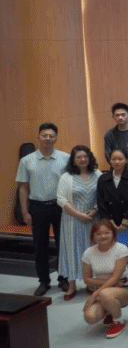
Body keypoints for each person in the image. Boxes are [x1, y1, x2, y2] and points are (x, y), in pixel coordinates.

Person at [16, 122, 70, 296]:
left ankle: (63, 278)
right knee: (40, 246)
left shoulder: (66, 158)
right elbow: (23, 188)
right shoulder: (27, 160)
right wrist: (25, 212)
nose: (48, 138)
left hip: (60, 206)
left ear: (56, 138)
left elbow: (71, 184)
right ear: (38, 137)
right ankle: (44, 281)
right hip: (37, 207)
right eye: (44, 135)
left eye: (51, 136)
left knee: (63, 245)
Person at [56, 145, 101, 300]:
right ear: (73, 160)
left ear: (90, 158)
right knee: (72, 251)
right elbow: (61, 199)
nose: (82, 159)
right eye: (79, 157)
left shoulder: (98, 175)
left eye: (85, 156)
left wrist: (94, 210)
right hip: (72, 219)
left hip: (92, 219)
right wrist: (78, 214)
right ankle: (72, 285)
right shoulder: (66, 177)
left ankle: (90, 283)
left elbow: (102, 197)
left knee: (91, 251)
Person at [82, 220, 128, 338]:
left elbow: (116, 277)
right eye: (98, 233)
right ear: (93, 236)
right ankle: (110, 310)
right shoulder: (88, 253)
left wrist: (95, 294)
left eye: (107, 232)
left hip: (124, 288)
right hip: (106, 289)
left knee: (105, 294)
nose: (103, 236)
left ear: (113, 234)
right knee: (90, 317)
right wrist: (111, 284)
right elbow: (87, 279)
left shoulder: (122, 249)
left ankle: (118, 321)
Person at [96, 148, 128, 272]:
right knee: (112, 253)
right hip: (110, 223)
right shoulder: (103, 178)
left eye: (120, 159)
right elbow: (100, 202)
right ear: (109, 160)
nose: (117, 162)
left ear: (126, 160)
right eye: (114, 159)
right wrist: (109, 221)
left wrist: (126, 221)